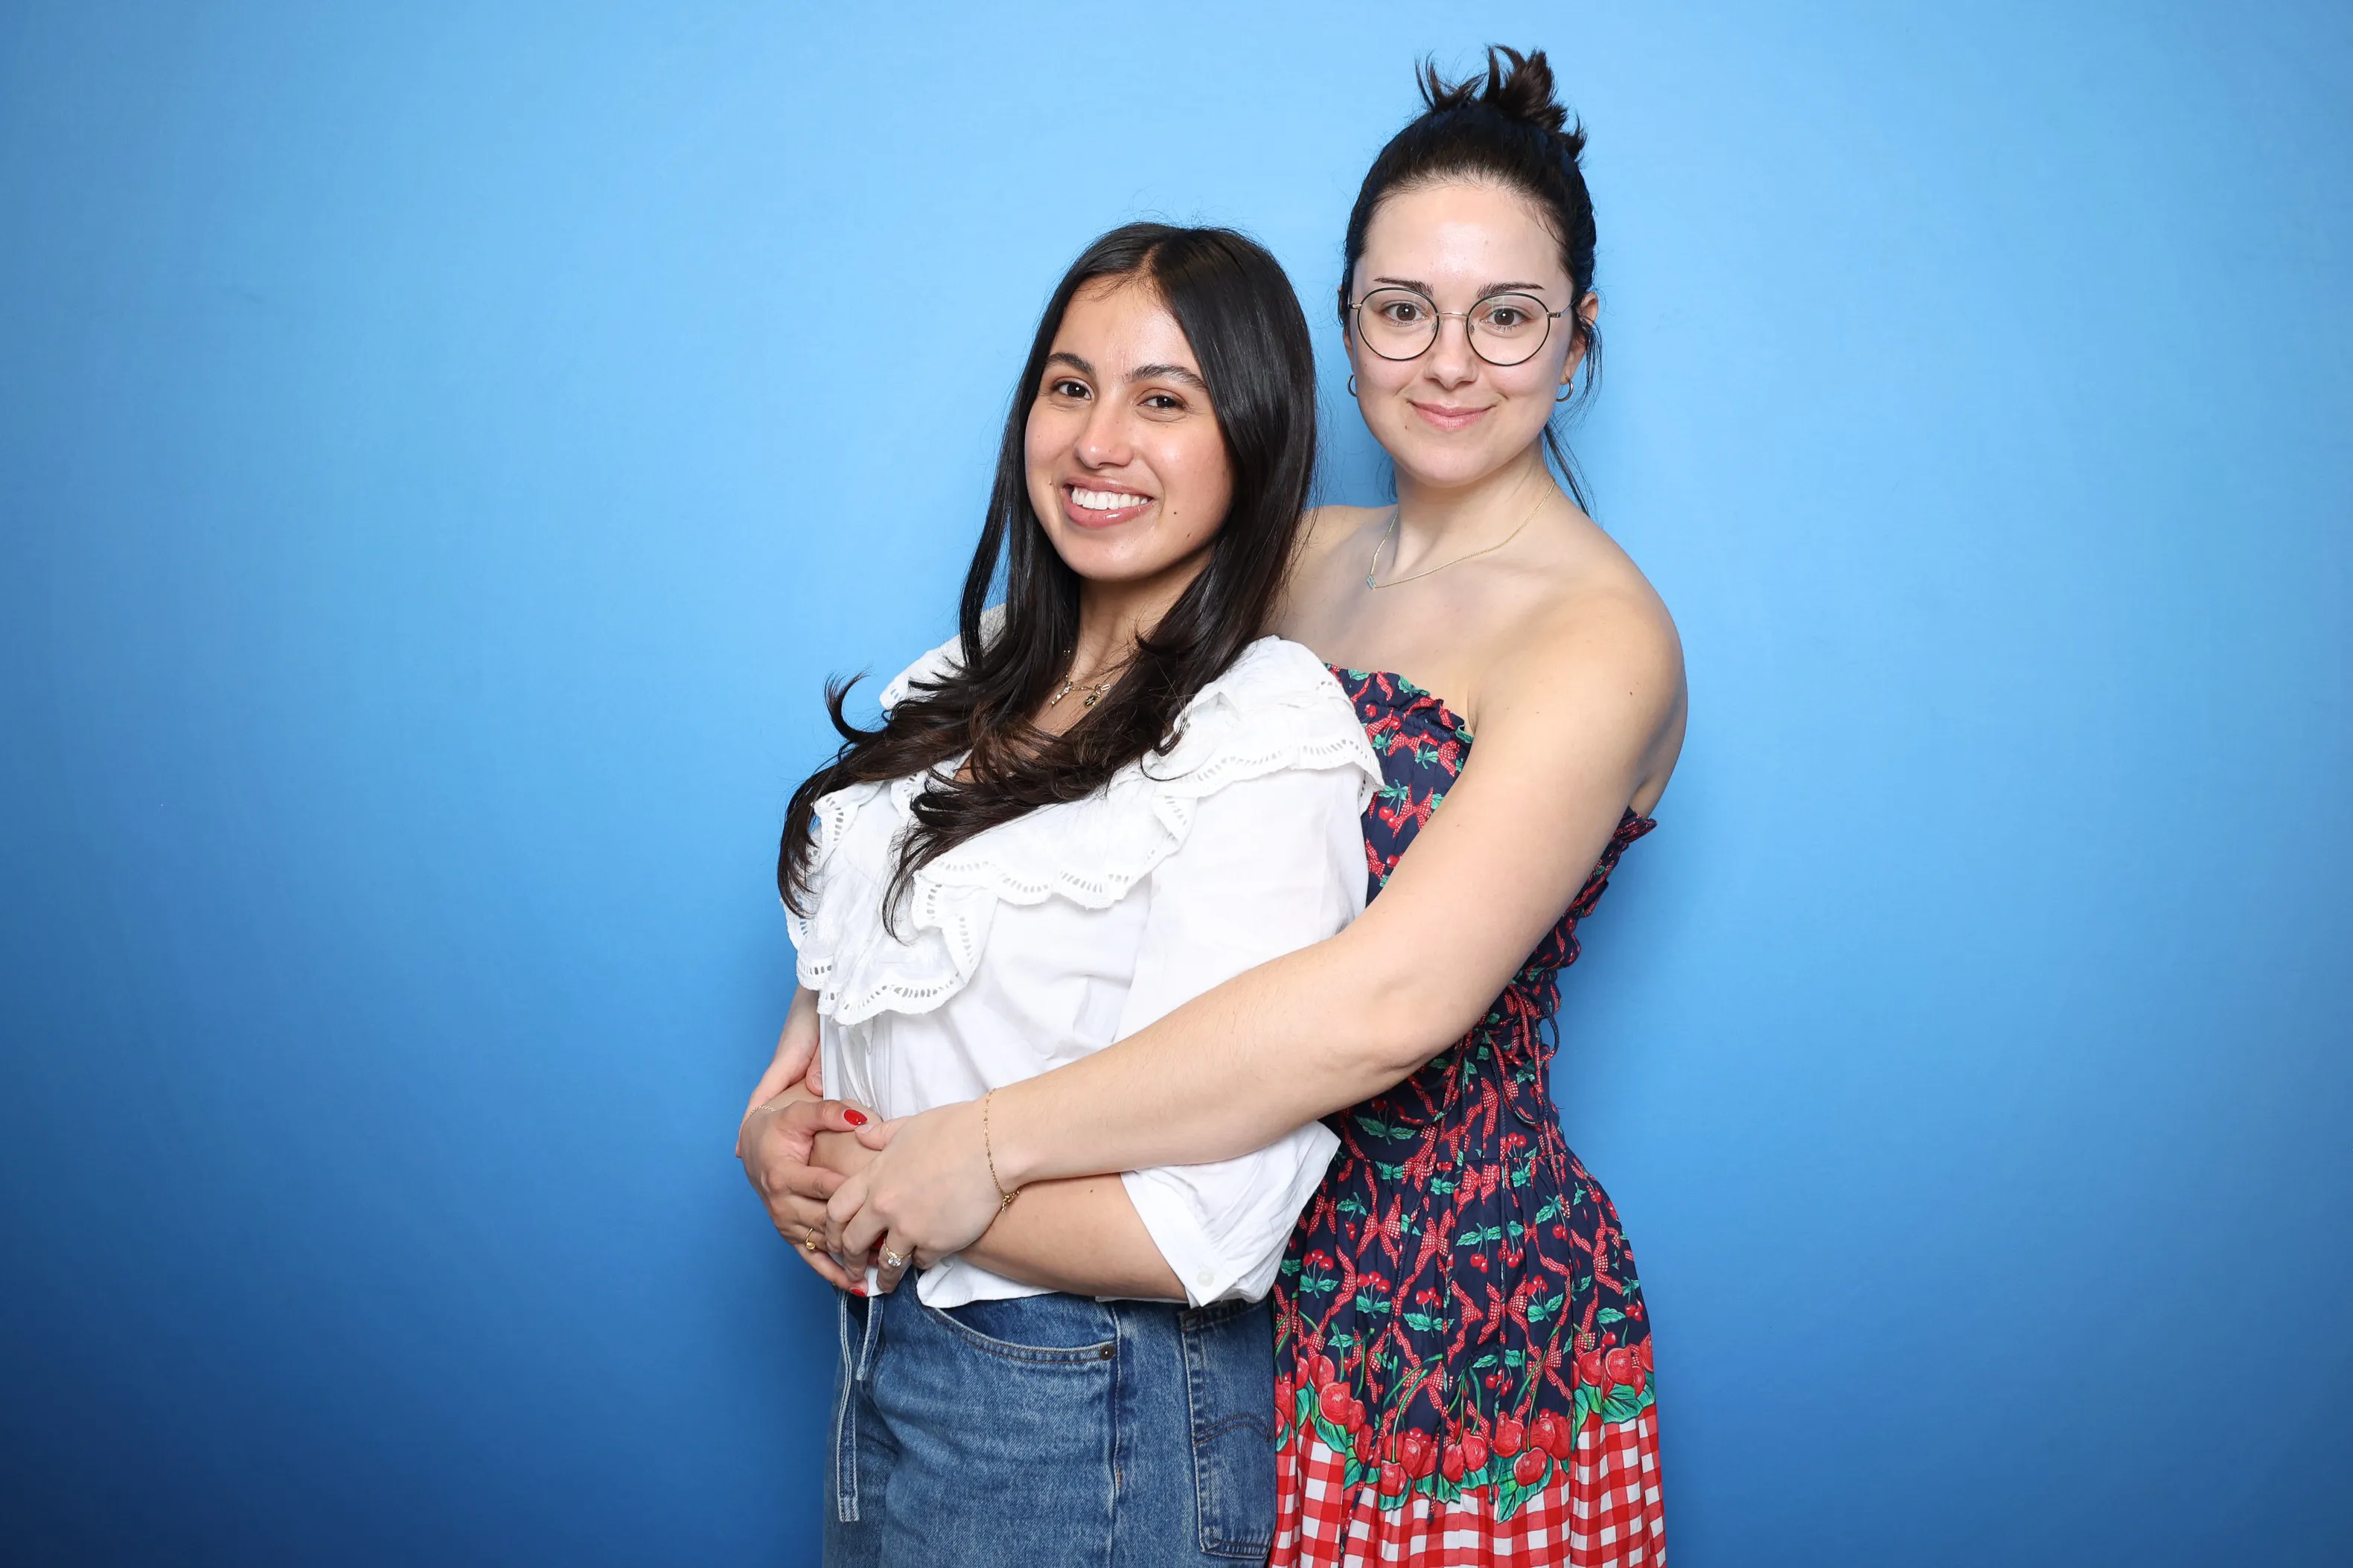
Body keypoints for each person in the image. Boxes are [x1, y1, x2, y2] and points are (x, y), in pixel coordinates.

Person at [768, 46, 1688, 1567]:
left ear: (1577, 338)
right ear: (1344, 323)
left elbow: (1389, 1002)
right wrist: (812, 1068)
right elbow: (1005, 759)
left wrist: (973, 1147)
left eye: (1508, 316)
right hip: (1159, 1281)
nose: (1449, 362)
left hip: (1430, 1313)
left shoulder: (1598, 635)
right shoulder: (1285, 553)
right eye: (1403, 310)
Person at [739, 223, 1387, 1567]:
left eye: (1165, 400)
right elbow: (862, 999)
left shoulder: (1264, 733)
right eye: (1070, 385)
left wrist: (896, 1188)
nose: (1099, 440)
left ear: (1253, 436)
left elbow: (1210, 1227)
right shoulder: (957, 679)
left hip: (1092, 1402)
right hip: (886, 1355)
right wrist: (784, 1129)